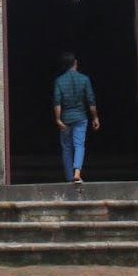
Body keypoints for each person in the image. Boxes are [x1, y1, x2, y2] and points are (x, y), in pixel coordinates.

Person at [53, 52, 99, 184]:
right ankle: (77, 172)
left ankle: (69, 178)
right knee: (79, 145)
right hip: (80, 117)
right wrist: (95, 117)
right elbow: (90, 100)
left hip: (65, 118)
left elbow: (57, 101)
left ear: (63, 66)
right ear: (75, 63)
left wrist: (58, 119)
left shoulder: (59, 81)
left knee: (67, 148)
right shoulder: (84, 79)